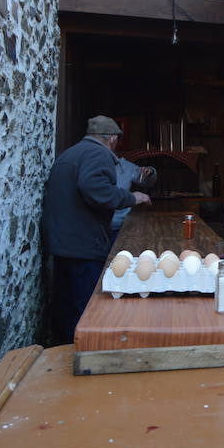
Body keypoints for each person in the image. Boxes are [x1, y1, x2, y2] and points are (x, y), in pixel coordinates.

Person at [42, 115, 151, 344]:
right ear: (111, 138)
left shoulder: (72, 153)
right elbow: (96, 189)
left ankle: (63, 349)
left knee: (66, 303)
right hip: (82, 244)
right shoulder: (98, 154)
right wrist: (132, 197)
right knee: (86, 306)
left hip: (62, 242)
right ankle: (83, 348)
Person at [109, 159, 157, 246]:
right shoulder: (93, 163)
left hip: (121, 225)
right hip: (95, 227)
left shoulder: (126, 166)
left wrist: (150, 173)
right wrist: (133, 197)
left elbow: (146, 182)